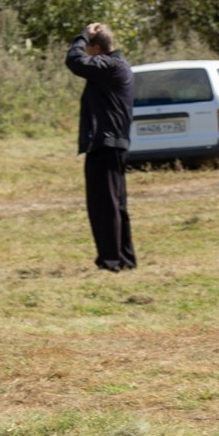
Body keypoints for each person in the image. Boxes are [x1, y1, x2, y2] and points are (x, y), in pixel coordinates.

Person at [67, 24, 137, 271]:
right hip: (114, 142)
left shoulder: (109, 66)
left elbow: (75, 61)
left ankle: (111, 260)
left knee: (103, 205)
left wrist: (83, 34)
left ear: (97, 49)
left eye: (89, 48)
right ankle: (125, 257)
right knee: (116, 204)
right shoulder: (119, 66)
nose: (86, 52)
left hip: (106, 144)